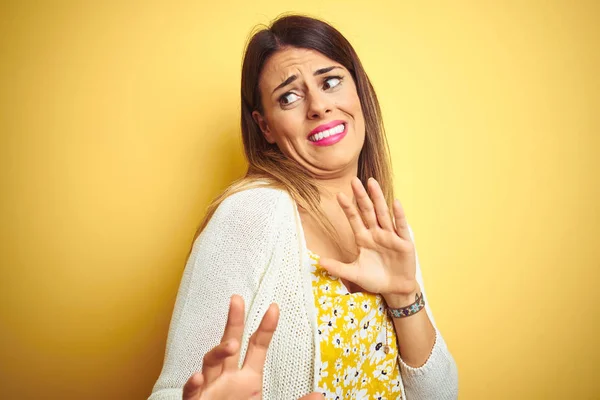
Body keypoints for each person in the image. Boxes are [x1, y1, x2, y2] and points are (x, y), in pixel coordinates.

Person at [149, 14, 458, 400]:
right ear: (266, 127)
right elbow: (174, 391)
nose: (318, 106)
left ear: (357, 91)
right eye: (289, 97)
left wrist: (404, 298)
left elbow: (441, 395)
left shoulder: (381, 224)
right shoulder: (251, 214)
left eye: (330, 82)